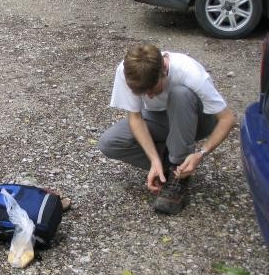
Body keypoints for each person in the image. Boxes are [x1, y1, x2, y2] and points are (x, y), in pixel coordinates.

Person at [98, 44, 235, 215]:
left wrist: (201, 154)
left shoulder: (189, 72)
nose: (149, 96)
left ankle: (179, 173)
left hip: (197, 119)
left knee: (180, 95)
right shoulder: (127, 71)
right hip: (159, 117)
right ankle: (171, 167)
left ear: (164, 69)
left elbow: (227, 119)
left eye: (154, 89)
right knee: (109, 143)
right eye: (143, 93)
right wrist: (154, 160)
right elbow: (135, 118)